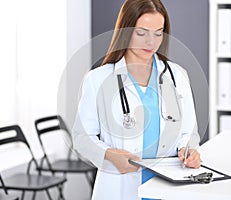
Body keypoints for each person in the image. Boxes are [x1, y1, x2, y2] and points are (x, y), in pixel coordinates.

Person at [72, 0, 201, 199]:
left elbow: (189, 132)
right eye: (142, 33)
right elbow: (82, 137)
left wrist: (189, 150)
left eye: (158, 33)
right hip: (120, 186)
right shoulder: (98, 79)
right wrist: (108, 155)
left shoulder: (177, 76)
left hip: (167, 187)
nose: (151, 42)